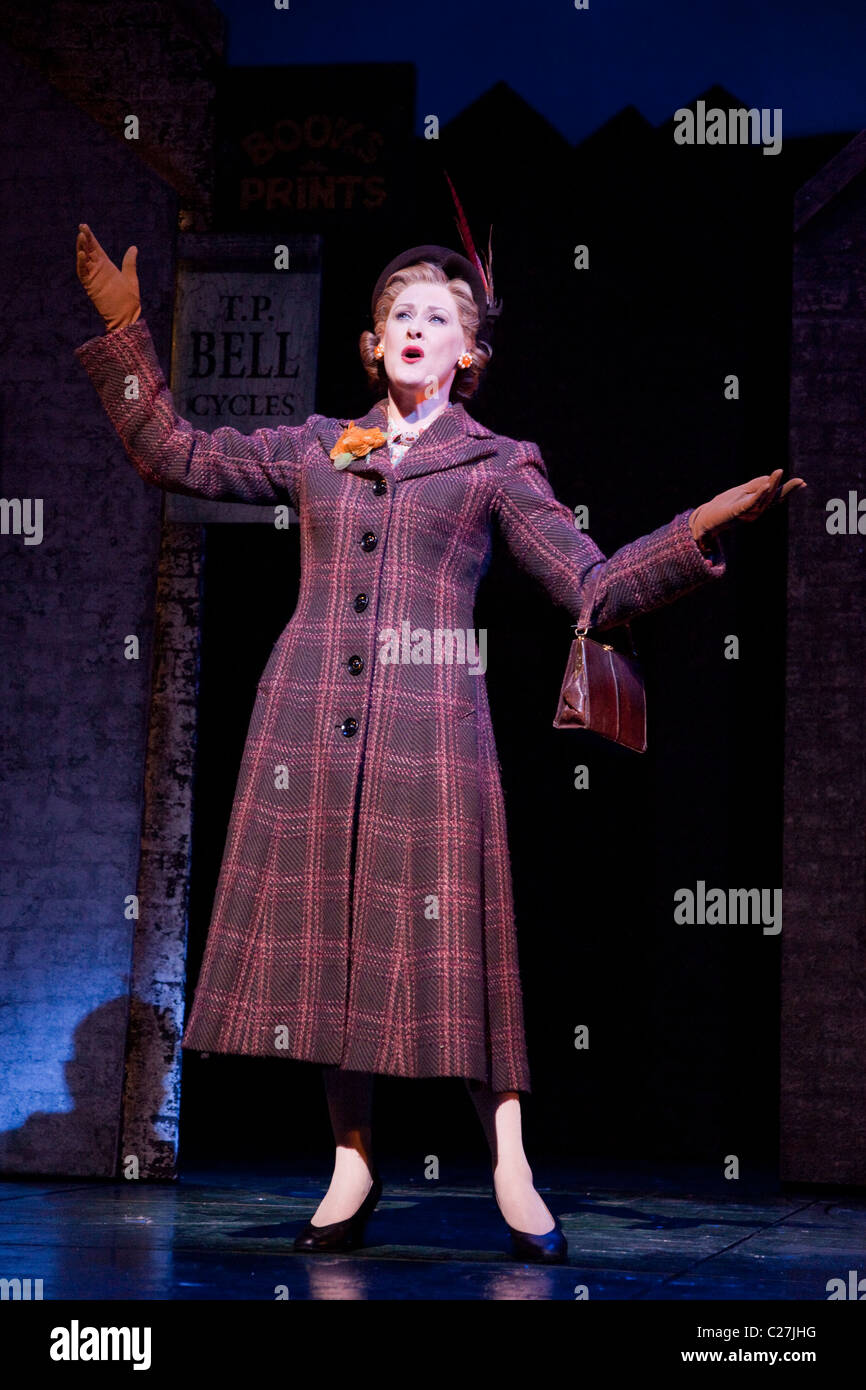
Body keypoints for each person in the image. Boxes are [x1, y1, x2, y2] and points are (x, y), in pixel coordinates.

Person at [75, 223, 805, 1264]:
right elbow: (174, 452)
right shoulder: (324, 445)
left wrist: (698, 529)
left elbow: (590, 586)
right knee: (333, 946)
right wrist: (123, 330)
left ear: (467, 353)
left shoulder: (495, 463)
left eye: (436, 317)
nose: (414, 327)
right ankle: (354, 1162)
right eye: (397, 316)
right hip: (307, 723)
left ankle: (507, 1158)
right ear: (371, 347)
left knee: (459, 943)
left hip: (433, 731)